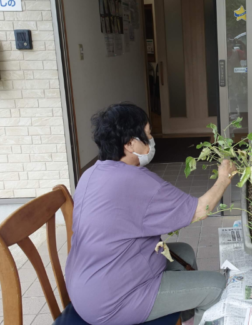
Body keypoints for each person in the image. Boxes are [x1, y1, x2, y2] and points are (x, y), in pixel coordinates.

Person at [65, 103, 236, 325]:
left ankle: (184, 319)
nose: (151, 140)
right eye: (147, 134)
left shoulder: (90, 174)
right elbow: (200, 210)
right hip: (113, 300)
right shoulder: (136, 182)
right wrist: (224, 178)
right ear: (129, 144)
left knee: (183, 251)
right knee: (216, 287)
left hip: (85, 285)